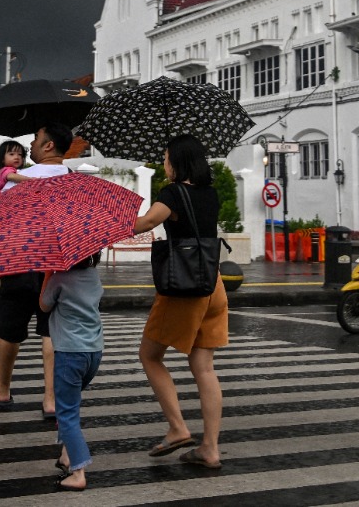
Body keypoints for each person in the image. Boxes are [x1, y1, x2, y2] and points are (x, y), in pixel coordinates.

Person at [132, 135, 228, 471]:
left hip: (185, 289)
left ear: (177, 161)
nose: (163, 163)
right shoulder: (210, 193)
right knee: (204, 368)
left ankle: (177, 428)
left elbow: (145, 222)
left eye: (165, 156)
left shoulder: (172, 193)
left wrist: (105, 224)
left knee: (149, 354)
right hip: (213, 286)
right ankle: (210, 449)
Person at [0, 123, 71, 414]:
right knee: (51, 332)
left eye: (35, 140)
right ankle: (51, 400)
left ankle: (2, 389)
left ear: (48, 146)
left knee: (9, 329)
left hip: (19, 261)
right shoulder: (71, 180)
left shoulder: (18, 180)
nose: (30, 145)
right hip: (56, 268)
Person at [41, 252, 104, 491]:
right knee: (72, 403)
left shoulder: (60, 279)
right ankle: (67, 455)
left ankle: (78, 472)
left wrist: (48, 274)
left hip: (69, 353)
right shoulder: (93, 276)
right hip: (94, 353)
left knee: (65, 413)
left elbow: (44, 305)